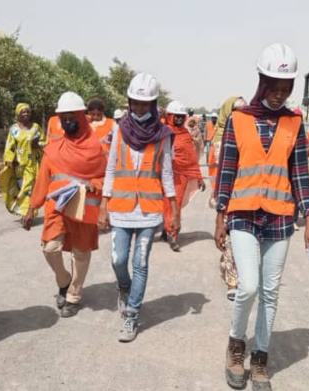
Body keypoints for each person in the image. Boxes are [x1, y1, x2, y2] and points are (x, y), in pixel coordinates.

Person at [216, 43, 309, 391]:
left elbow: (300, 174)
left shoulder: (294, 122)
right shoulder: (239, 118)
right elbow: (226, 168)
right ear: (261, 82)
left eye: (286, 87)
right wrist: (220, 216)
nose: (279, 94)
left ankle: (260, 357)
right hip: (243, 213)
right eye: (274, 86)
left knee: (271, 291)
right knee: (248, 287)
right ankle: (235, 346)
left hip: (279, 218)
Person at [99, 72, 179, 343]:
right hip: (121, 208)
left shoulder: (163, 134)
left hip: (149, 209)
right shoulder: (118, 130)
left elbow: (167, 173)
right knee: (118, 260)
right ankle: (124, 287)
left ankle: (132, 315)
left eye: (146, 104)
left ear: (154, 105)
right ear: (129, 101)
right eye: (136, 102)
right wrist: (103, 205)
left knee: (140, 261)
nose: (140, 108)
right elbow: (110, 168)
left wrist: (174, 210)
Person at [25, 92, 107, 318]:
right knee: (50, 248)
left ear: (82, 117)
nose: (68, 120)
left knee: (81, 252)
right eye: (64, 117)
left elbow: (106, 177)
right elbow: (43, 178)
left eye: (72, 116)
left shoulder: (96, 148)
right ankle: (64, 280)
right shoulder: (53, 148)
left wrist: (94, 185)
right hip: (57, 206)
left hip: (84, 208)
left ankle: (73, 295)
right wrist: (32, 207)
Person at [162, 100, 205, 251]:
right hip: (164, 175)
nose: (180, 119)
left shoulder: (186, 134)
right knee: (165, 204)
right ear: (169, 116)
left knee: (176, 206)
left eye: (182, 116)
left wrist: (199, 177)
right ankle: (165, 229)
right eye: (177, 116)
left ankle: (173, 236)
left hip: (181, 177)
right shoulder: (163, 131)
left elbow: (191, 157)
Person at [0, 103, 42, 218]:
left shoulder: (36, 127)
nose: (25, 114)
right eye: (23, 112)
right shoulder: (14, 129)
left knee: (30, 187)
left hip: (33, 164)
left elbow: (45, 142)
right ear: (18, 114)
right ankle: (25, 210)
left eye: (27, 111)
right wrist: (9, 159)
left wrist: (38, 145)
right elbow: (10, 145)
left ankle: (28, 213)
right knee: (22, 189)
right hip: (19, 165)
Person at [209, 97, 247, 208]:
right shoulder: (220, 139)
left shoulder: (243, 130)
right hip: (225, 191)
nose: (239, 115)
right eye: (236, 111)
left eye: (243, 111)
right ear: (228, 112)